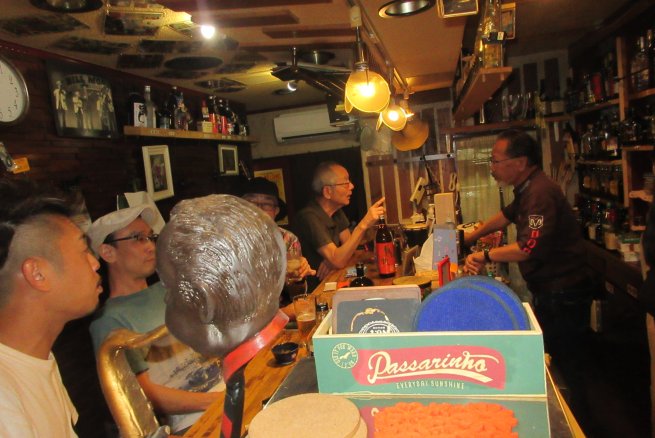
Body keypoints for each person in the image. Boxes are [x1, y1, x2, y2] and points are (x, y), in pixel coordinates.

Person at [463, 129, 594, 425]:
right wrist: (471, 235)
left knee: (567, 367)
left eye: (496, 161)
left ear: (520, 162)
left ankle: (578, 425)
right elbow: (506, 215)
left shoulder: (539, 193)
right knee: (561, 362)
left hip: (563, 293)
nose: (492, 168)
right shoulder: (526, 188)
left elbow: (528, 248)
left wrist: (484, 255)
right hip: (553, 291)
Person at [87, 206, 223, 434]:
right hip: (192, 421)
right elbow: (141, 393)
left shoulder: (168, 288)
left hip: (226, 389)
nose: (151, 246)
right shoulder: (109, 320)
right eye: (137, 238)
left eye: (151, 237)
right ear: (107, 252)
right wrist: (215, 400)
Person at [0, 178, 102, 436]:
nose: (95, 263)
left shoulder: (37, 357)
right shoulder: (4, 398)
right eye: (84, 250)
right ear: (38, 274)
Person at [294, 161, 385, 290]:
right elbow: (338, 260)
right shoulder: (309, 217)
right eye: (345, 183)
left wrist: (332, 261)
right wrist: (364, 224)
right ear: (327, 191)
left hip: (332, 280)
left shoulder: (336, 211)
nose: (352, 186)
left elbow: (349, 248)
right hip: (315, 290)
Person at [241, 177, 316, 315]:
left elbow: (296, 294)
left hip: (281, 316)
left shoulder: (287, 239)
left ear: (276, 211)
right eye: (251, 202)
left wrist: (298, 277)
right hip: (241, 320)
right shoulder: (227, 241)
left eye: (267, 204)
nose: (258, 208)